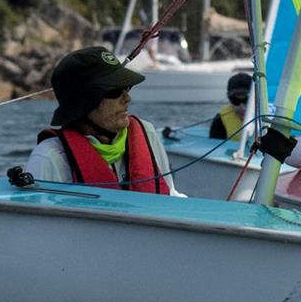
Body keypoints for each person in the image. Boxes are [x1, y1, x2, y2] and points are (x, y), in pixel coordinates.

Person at [25, 46, 182, 195]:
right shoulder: (49, 158)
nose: (127, 98)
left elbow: (170, 196)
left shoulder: (147, 133)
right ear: (84, 104)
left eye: (126, 88)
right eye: (114, 91)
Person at [209, 72, 252, 140]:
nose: (242, 107)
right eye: (235, 100)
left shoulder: (266, 118)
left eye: (246, 100)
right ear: (228, 98)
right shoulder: (220, 120)